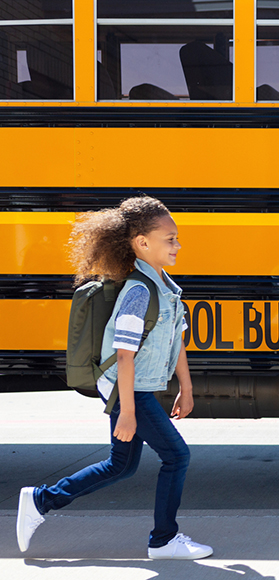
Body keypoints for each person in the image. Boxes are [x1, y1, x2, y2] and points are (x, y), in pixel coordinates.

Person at [16, 196, 212, 560]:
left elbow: (177, 339)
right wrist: (127, 411)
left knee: (120, 465)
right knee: (177, 456)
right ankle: (163, 540)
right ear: (142, 243)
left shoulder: (166, 288)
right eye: (170, 238)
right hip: (128, 388)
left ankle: (41, 500)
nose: (177, 245)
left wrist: (185, 388)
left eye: (177, 238)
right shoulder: (138, 292)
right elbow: (124, 355)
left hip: (136, 387)